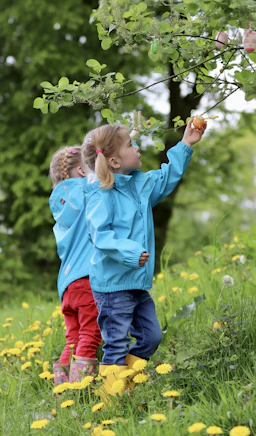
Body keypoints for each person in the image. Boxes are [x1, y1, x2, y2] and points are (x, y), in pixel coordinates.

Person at [82, 117, 206, 401]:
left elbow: (167, 176)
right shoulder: (102, 196)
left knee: (151, 337)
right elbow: (101, 236)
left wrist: (186, 143)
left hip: (136, 283)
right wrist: (132, 253)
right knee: (116, 344)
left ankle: (124, 388)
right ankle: (110, 404)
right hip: (113, 287)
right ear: (114, 161)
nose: (138, 147)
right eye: (130, 144)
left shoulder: (140, 185)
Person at [49, 145, 102, 384]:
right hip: (86, 278)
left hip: (67, 284)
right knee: (91, 333)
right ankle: (80, 390)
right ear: (81, 170)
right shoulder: (86, 190)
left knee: (74, 337)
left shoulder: (59, 202)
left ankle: (61, 389)